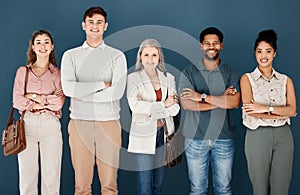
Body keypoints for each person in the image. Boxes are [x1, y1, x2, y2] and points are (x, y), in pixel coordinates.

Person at [61, 6, 127, 195]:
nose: (95, 26)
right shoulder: (71, 55)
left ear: (105, 26)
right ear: (83, 26)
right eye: (91, 22)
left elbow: (116, 93)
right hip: (80, 124)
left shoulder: (117, 56)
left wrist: (83, 94)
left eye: (99, 22)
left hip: (109, 123)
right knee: (81, 186)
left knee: (109, 185)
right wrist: (102, 84)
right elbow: (68, 89)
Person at [179, 27, 240, 195]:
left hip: (224, 138)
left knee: (224, 189)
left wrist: (202, 97)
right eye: (207, 43)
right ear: (201, 46)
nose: (211, 47)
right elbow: (188, 105)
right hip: (195, 138)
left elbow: (234, 102)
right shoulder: (188, 72)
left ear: (221, 45)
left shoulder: (231, 72)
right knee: (197, 190)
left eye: (215, 43)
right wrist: (221, 100)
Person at [240, 29, 297, 195]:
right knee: (260, 189)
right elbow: (251, 111)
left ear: (274, 53)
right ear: (254, 53)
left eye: (268, 51)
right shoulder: (247, 79)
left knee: (281, 189)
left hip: (283, 135)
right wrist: (280, 111)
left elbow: (292, 110)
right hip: (257, 135)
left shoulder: (286, 80)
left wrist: (265, 108)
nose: (263, 56)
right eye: (259, 51)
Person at [13, 29, 65, 194]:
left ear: (51, 47)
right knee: (27, 178)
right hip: (27, 125)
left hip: (50, 126)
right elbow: (17, 101)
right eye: (38, 42)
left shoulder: (57, 73)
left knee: (52, 177)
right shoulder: (23, 72)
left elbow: (59, 103)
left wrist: (34, 97)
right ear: (33, 48)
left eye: (46, 42)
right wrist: (46, 100)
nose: (43, 46)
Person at [127, 38, 180, 195]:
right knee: (145, 187)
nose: (150, 59)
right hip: (143, 135)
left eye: (154, 55)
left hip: (164, 135)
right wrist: (164, 104)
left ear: (159, 57)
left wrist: (149, 107)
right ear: (140, 57)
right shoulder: (133, 78)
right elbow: (135, 107)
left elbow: (176, 108)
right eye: (147, 55)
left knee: (157, 186)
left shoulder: (168, 78)